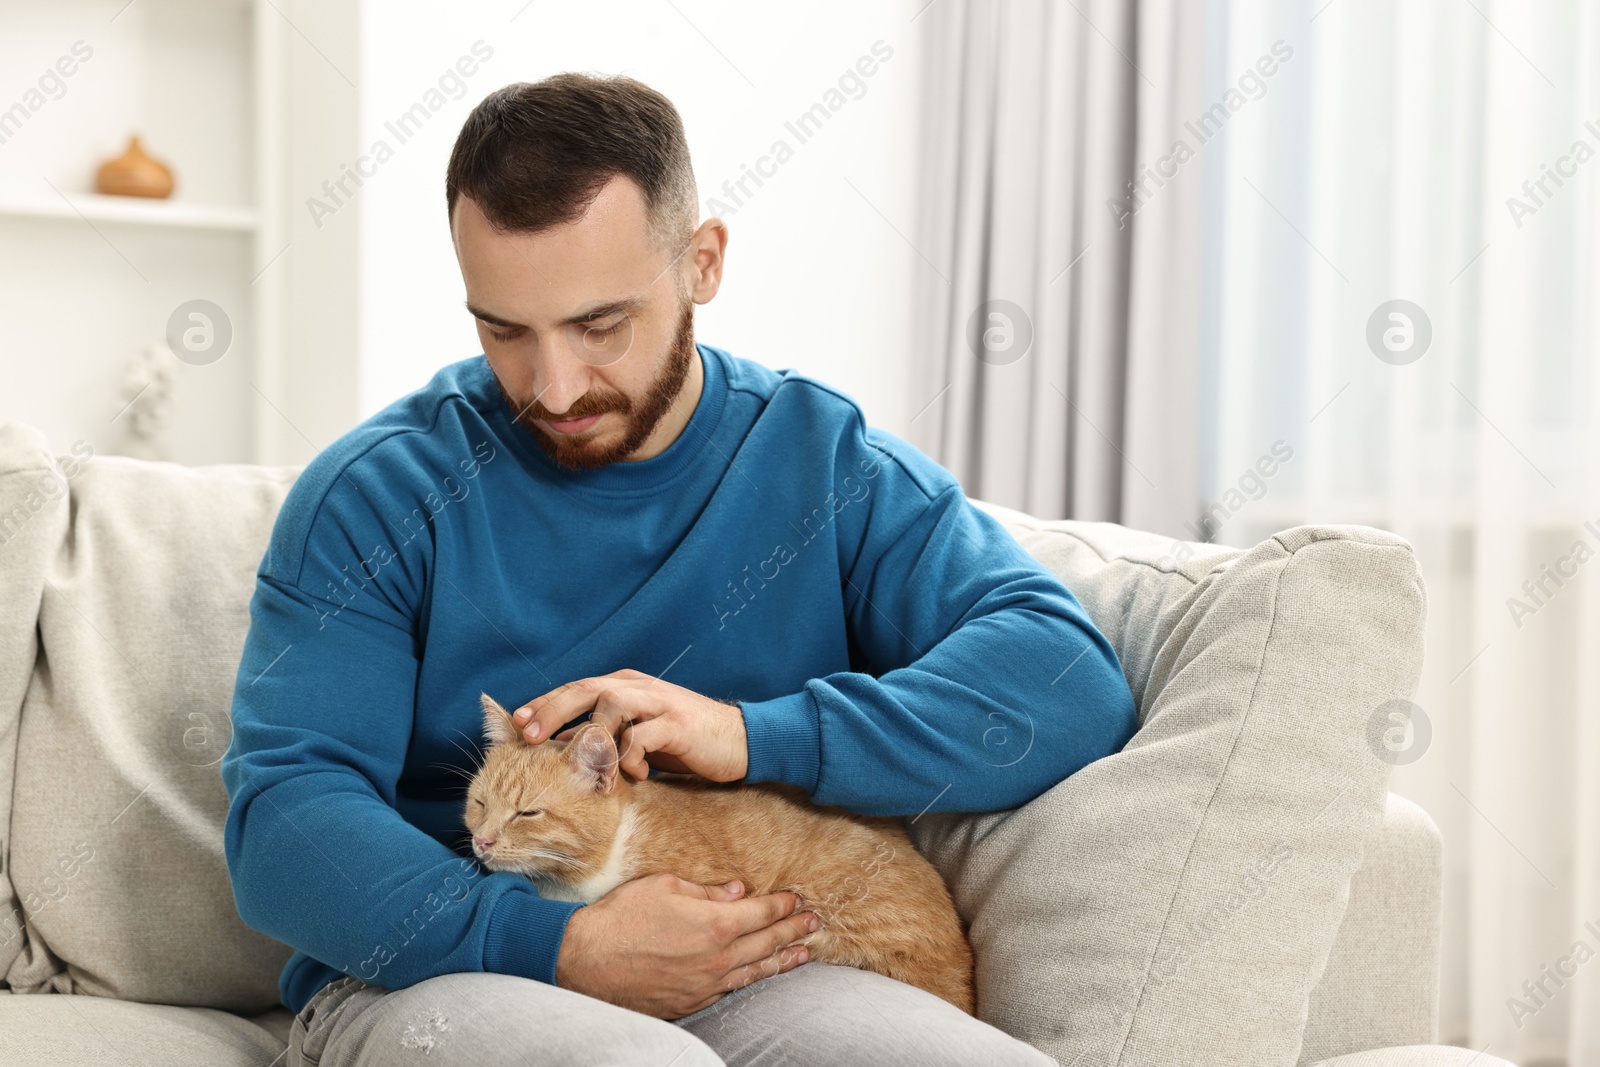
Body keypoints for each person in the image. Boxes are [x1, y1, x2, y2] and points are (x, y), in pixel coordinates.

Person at [221, 71, 1137, 1067]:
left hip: (763, 965)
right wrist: (559, 942)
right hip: (446, 969)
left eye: (599, 324)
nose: (553, 386)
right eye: (504, 330)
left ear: (701, 262)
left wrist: (749, 734)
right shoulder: (376, 493)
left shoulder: (821, 460)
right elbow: (284, 825)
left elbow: (1069, 682)